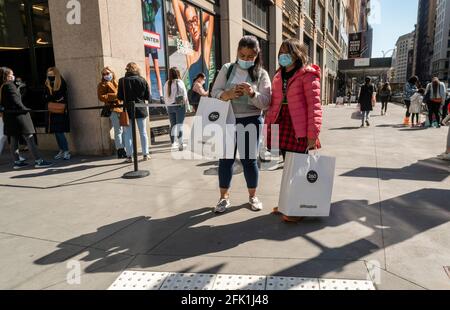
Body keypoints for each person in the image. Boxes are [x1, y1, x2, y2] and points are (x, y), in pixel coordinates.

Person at [211, 35, 271, 214]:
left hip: (251, 119)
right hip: (228, 119)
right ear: (237, 52)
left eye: (249, 57)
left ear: (257, 54)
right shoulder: (227, 69)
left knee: (249, 161)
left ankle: (253, 196)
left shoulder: (261, 73)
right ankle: (224, 198)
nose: (245, 60)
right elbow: (215, 91)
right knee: (226, 160)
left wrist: (252, 93)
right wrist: (227, 94)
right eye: (242, 55)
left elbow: (266, 101)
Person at [265, 38, 322, 222]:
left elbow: (315, 106)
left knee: (298, 169)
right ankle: (286, 203)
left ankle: (298, 208)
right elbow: (273, 102)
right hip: (281, 125)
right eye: (281, 52)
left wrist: (312, 134)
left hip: (299, 128)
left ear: (297, 54)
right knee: (288, 168)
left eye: (287, 52)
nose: (283, 56)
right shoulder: (278, 75)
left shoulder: (308, 75)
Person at [0, 67, 53, 169]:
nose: (13, 76)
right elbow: (17, 102)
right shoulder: (9, 86)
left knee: (14, 139)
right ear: (6, 76)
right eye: (11, 74)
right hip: (19, 117)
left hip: (9, 117)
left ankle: (17, 162)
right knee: (29, 138)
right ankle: (39, 161)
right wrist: (26, 109)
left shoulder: (2, 86)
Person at [171, 0, 214, 89]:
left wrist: (196, 21)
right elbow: (175, 2)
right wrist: (192, 19)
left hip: (204, 100)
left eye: (195, 21)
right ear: (186, 26)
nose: (193, 27)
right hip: (192, 101)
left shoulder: (205, 48)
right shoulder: (189, 53)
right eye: (190, 23)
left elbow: (211, 13)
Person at [117, 63, 152, 163]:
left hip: (127, 109)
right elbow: (147, 97)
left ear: (127, 69)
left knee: (128, 134)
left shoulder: (122, 81)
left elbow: (119, 97)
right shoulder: (142, 79)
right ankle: (146, 154)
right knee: (143, 132)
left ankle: (129, 156)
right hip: (141, 109)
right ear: (137, 69)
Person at [97, 66, 126, 159]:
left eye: (107, 73)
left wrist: (115, 96)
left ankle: (124, 148)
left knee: (124, 130)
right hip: (112, 109)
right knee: (118, 130)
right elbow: (101, 97)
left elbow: (123, 95)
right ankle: (120, 150)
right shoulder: (102, 84)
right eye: (104, 74)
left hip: (121, 108)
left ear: (112, 73)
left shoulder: (118, 82)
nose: (106, 75)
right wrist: (115, 96)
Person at [45, 67, 71, 160]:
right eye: (49, 75)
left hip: (60, 111)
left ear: (56, 74)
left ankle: (66, 151)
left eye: (52, 75)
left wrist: (52, 97)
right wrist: (53, 98)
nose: (50, 76)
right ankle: (61, 150)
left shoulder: (61, 82)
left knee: (60, 132)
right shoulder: (47, 83)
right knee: (56, 132)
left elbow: (58, 96)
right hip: (52, 111)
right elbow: (47, 97)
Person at [142, 0, 164, 102]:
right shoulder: (152, 7)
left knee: (151, 70)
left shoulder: (148, 7)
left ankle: (155, 94)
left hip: (148, 37)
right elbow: (158, 3)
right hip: (150, 37)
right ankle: (157, 94)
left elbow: (158, 3)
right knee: (153, 69)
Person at [164, 67, 188, 151]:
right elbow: (184, 95)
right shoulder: (180, 82)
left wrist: (167, 107)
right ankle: (180, 143)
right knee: (179, 125)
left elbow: (165, 97)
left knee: (173, 125)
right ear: (178, 73)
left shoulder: (167, 83)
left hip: (170, 106)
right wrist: (187, 106)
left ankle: (173, 143)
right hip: (179, 106)